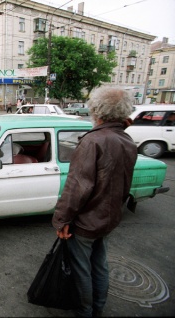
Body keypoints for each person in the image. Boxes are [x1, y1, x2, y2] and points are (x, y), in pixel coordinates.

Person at [52, 87, 138, 317]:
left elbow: (77, 187)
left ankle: (85, 311)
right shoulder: (126, 139)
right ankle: (97, 309)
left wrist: (61, 220)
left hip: (86, 222)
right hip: (109, 218)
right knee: (99, 265)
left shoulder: (93, 141)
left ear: (96, 109)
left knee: (82, 271)